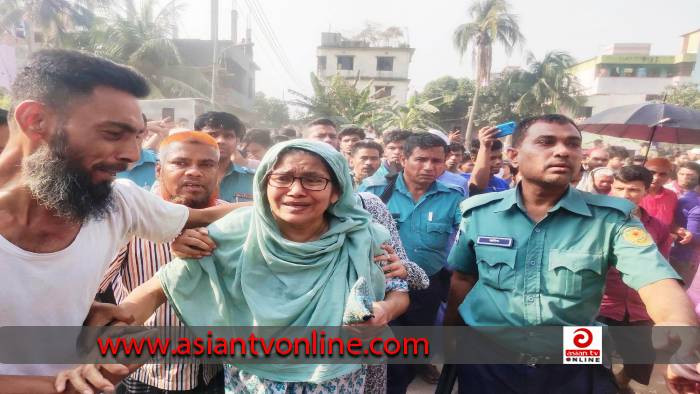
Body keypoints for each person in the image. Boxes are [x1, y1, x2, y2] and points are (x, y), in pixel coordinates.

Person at [57, 140, 410, 394]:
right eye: (282, 178)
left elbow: (398, 292)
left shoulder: (364, 236)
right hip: (252, 379)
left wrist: (383, 311)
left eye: (313, 180)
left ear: (336, 191)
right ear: (264, 184)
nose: (296, 190)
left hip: (336, 377)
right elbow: (155, 289)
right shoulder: (233, 233)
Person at [0, 49, 237, 392]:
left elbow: (204, 217)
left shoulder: (118, 202)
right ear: (36, 120)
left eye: (137, 136)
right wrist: (66, 386)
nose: (132, 155)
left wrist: (89, 315)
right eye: (113, 134)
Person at [445, 114, 694, 394]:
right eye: (546, 142)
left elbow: (655, 279)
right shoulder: (479, 213)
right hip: (489, 358)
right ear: (513, 156)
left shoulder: (611, 219)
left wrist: (681, 331)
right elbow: (463, 280)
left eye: (573, 144)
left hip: (574, 359)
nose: (563, 151)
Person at [99, 132, 226, 393]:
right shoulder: (131, 217)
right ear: (158, 170)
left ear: (218, 172)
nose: (194, 172)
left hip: (216, 370)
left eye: (206, 164)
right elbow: (94, 290)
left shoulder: (233, 221)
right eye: (180, 163)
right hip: (148, 372)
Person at [359, 133, 464, 392]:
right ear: (404, 159)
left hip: (427, 287)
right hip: (383, 287)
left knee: (411, 353)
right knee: (383, 354)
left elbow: (465, 234)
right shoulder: (374, 192)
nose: (429, 167)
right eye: (421, 159)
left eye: (437, 161)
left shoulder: (453, 196)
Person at [599, 165, 671, 392]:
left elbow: (662, 267)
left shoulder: (657, 227)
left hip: (640, 305)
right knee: (583, 358)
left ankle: (619, 384)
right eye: (618, 188)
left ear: (646, 191)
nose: (624, 195)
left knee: (640, 359)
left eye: (632, 190)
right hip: (599, 303)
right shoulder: (594, 221)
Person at [194, 111, 255, 202]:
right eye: (212, 135)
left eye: (228, 136)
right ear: (197, 138)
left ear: (237, 141)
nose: (221, 141)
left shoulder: (253, 180)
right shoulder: (184, 175)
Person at [670, 163, 700, 286]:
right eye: (682, 174)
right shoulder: (668, 191)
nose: (685, 177)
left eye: (690, 175)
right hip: (681, 255)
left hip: (683, 254)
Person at [464, 129, 510, 195]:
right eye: (492, 158)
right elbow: (476, 187)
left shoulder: (503, 184)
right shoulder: (462, 181)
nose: (498, 162)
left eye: (500, 157)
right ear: (474, 159)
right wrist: (485, 146)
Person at [641, 158, 678, 227]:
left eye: (662, 174)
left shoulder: (672, 195)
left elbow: (670, 222)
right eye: (652, 173)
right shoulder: (633, 193)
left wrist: (677, 230)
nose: (656, 178)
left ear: (668, 176)